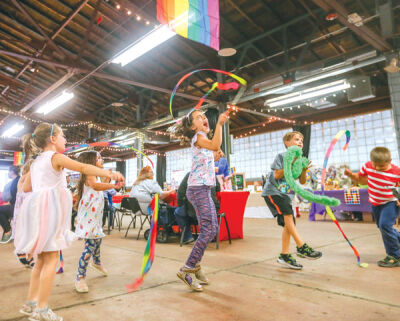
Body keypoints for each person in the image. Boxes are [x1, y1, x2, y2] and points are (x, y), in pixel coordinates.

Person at [14, 123, 124, 321]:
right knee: (52, 259)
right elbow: (82, 167)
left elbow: (28, 186)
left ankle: (31, 303)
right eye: (63, 135)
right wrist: (109, 173)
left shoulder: (37, 161)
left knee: (41, 259)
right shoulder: (56, 157)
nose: (65, 139)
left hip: (38, 211)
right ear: (53, 139)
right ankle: (41, 309)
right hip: (50, 211)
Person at [171, 108, 229, 292]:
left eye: (204, 116)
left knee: (212, 229)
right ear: (192, 126)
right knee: (207, 230)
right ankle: (187, 269)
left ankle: (195, 266)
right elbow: (214, 144)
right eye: (198, 117)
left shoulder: (202, 144)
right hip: (197, 190)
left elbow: (209, 154)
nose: (203, 118)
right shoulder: (198, 139)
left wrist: (215, 156)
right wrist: (219, 124)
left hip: (204, 189)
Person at [262, 131, 322, 270]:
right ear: (287, 143)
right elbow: (276, 175)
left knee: (289, 224)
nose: (300, 141)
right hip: (274, 192)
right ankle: (301, 246)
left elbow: (302, 180)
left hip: (287, 194)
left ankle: (285, 255)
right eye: (296, 139)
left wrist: (303, 169)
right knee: (288, 215)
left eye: (302, 140)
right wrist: (291, 162)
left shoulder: (300, 159)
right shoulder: (281, 156)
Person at [74, 151, 124, 293]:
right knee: (90, 245)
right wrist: (113, 186)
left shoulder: (95, 174)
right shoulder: (90, 174)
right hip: (89, 214)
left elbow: (101, 184)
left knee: (98, 239)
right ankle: (80, 277)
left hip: (96, 214)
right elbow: (96, 186)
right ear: (91, 161)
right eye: (98, 158)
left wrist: (109, 179)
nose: (101, 160)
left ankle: (96, 262)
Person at [345, 146, 400, 267]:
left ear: (389, 161)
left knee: (385, 225)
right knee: (382, 227)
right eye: (375, 165)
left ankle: (395, 256)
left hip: (390, 202)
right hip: (375, 202)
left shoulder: (396, 171)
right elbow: (361, 179)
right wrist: (350, 175)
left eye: (381, 167)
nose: (377, 168)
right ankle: (398, 239)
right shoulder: (368, 166)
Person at [175, 170, 221, 244]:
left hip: (193, 210)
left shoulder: (189, 175)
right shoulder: (211, 174)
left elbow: (180, 193)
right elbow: (218, 190)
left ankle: (187, 237)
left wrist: (182, 204)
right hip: (211, 210)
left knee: (178, 212)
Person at [13, 159, 35, 268]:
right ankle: (21, 251)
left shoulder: (36, 182)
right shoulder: (22, 179)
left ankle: (30, 256)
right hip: (22, 213)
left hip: (32, 213)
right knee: (23, 234)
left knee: (33, 235)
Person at [0, 166, 20, 243]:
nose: (8, 173)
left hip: (18, 207)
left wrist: (10, 202)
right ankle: (8, 229)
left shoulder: (18, 180)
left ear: (12, 171)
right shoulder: (15, 181)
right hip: (14, 205)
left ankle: (8, 230)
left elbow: (18, 195)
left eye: (9, 171)